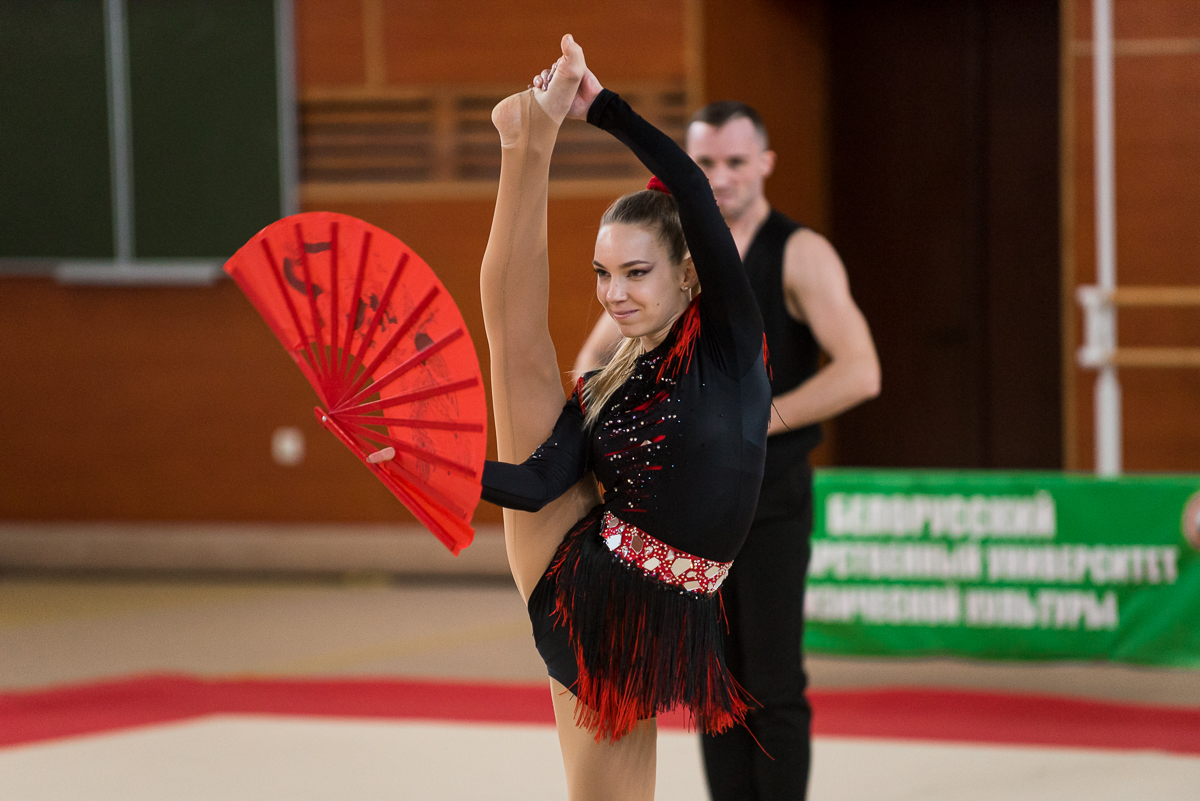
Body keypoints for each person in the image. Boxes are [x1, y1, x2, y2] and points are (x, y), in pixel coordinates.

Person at [478, 35, 771, 801]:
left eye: (636, 272)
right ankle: (523, 140)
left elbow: (691, 188)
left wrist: (603, 108)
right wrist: (432, 467)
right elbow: (535, 482)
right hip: (588, 591)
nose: (614, 294)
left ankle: (531, 133)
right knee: (518, 347)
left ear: (688, 272)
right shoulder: (611, 380)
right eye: (604, 274)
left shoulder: (731, 343)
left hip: (640, 613)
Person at [574, 101, 881, 799]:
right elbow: (592, 362)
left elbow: (861, 371)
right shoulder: (670, 258)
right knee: (711, 687)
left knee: (771, 682)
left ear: (765, 163)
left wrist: (748, 421)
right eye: (707, 163)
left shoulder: (798, 252)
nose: (721, 176)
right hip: (688, 514)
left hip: (770, 503)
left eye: (736, 161)